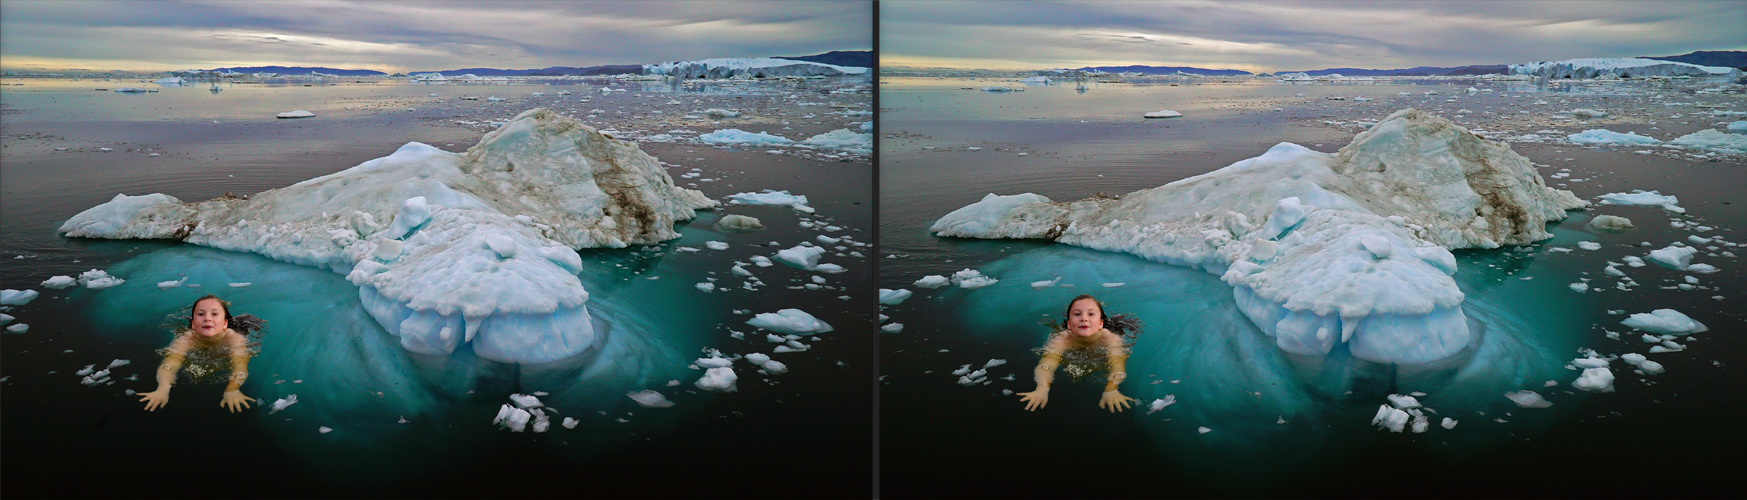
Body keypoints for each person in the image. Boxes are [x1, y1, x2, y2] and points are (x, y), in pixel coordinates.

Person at [138, 294, 264, 412]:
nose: (207, 318)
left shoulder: (235, 339)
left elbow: (240, 365)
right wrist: (163, 389)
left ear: (225, 324)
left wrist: (232, 390)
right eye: (200, 314)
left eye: (214, 314)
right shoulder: (186, 339)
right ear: (193, 324)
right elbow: (170, 363)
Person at [1017, 294, 1140, 413]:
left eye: (1091, 314)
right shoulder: (1062, 339)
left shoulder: (1111, 339)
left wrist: (1111, 389)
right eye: (1077, 314)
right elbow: (1047, 364)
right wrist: (1042, 389)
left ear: (1101, 324)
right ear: (1069, 324)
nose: (1084, 318)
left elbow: (1117, 365)